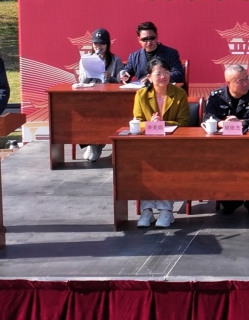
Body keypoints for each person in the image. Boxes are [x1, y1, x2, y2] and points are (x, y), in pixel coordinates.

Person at [132, 58, 191, 228]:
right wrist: (151, 124)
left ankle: (166, 210)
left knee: (166, 165)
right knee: (143, 167)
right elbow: (137, 121)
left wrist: (162, 124)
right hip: (148, 144)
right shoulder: (141, 95)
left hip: (173, 144)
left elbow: (184, 122)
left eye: (166, 72)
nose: (163, 77)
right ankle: (147, 210)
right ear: (149, 77)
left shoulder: (179, 93)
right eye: (158, 73)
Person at [205, 64, 249, 217]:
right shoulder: (216, 96)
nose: (246, 83)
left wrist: (242, 122)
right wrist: (222, 123)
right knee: (216, 161)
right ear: (228, 83)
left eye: (247, 79)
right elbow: (207, 118)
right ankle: (231, 200)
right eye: (240, 81)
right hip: (223, 145)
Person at [75, 28, 125, 162]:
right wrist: (89, 70)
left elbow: (121, 82)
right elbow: (81, 80)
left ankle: (98, 143)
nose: (98, 47)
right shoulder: (85, 59)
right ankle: (92, 143)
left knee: (104, 111)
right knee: (82, 111)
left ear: (107, 44)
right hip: (91, 96)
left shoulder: (115, 60)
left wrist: (111, 78)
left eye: (101, 44)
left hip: (110, 98)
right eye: (95, 44)